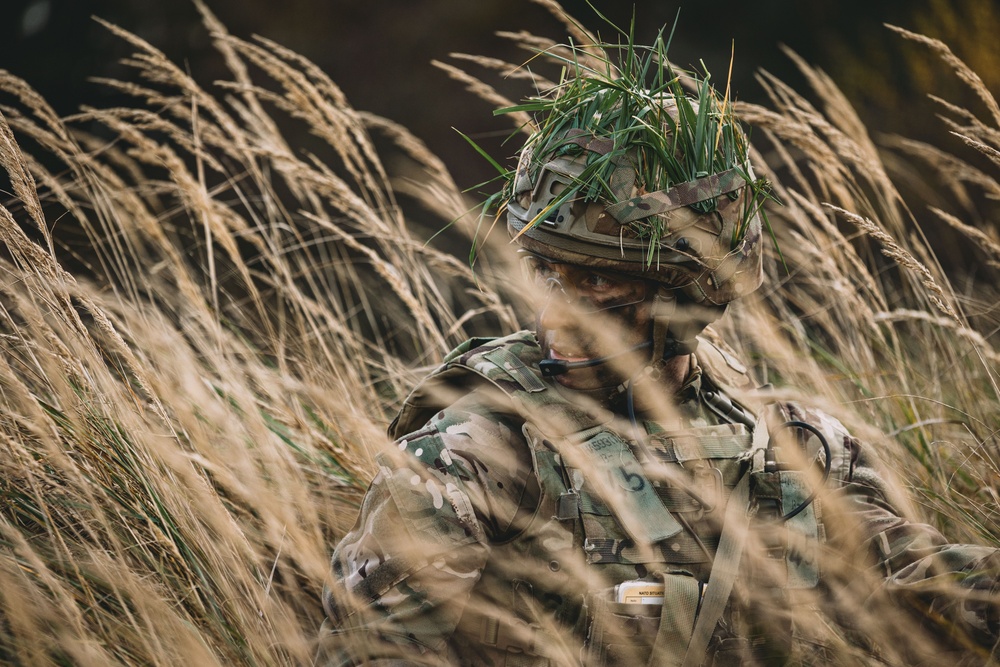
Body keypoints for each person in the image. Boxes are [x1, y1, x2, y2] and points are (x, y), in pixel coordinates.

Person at [318, 35, 999, 666]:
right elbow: (369, 649)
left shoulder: (789, 445)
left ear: (687, 297)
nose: (558, 308)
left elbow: (919, 584)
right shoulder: (475, 452)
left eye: (594, 279)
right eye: (546, 272)